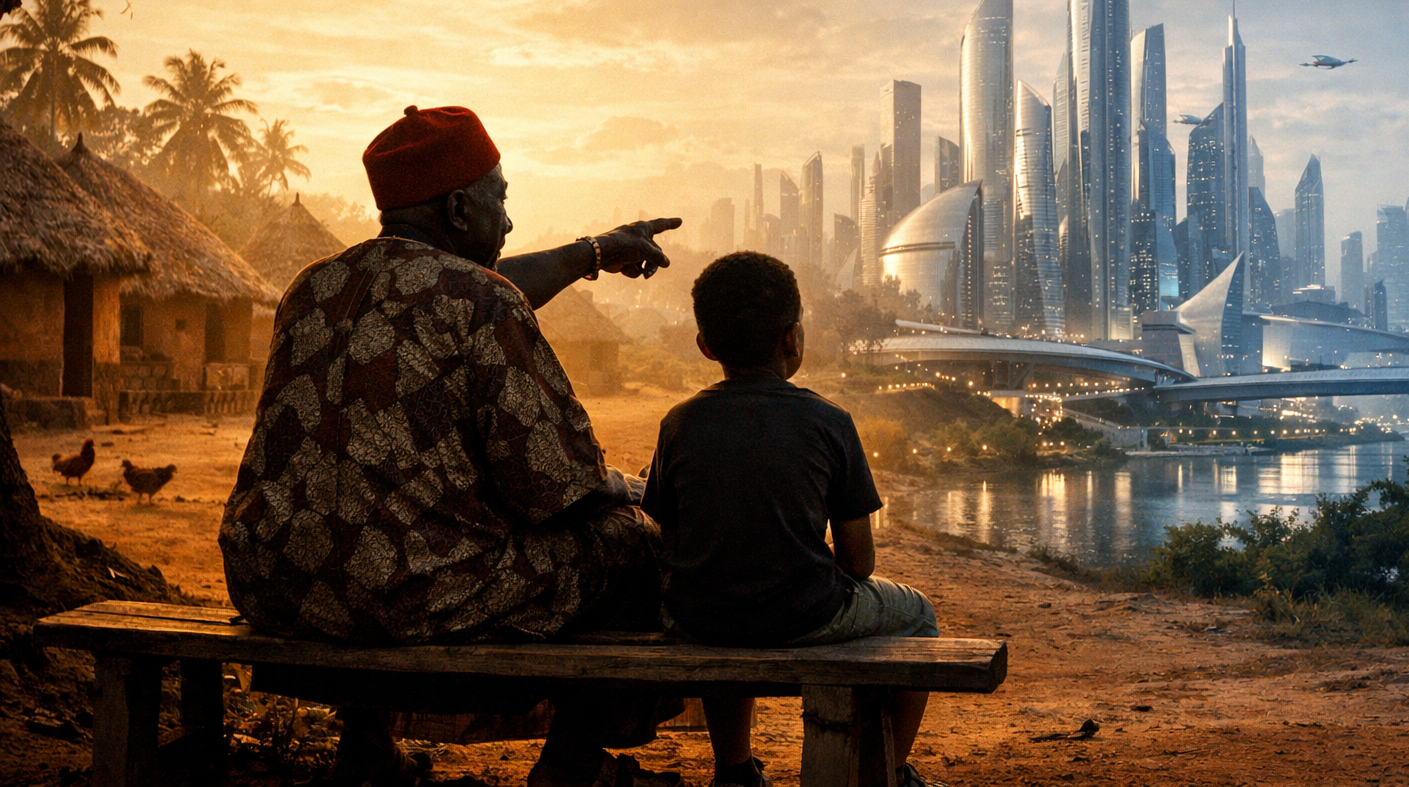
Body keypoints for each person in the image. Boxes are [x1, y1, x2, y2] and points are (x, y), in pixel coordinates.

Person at [220, 105, 681, 787]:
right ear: (462, 209)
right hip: (406, 594)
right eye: (502, 199)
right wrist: (630, 490)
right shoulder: (482, 302)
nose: (510, 219)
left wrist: (595, 251)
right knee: (633, 545)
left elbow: (457, 287)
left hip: (276, 583)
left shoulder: (313, 289)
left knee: (371, 519)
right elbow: (557, 486)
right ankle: (572, 761)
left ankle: (368, 745)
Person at [640, 252, 941, 787]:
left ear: (706, 346)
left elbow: (670, 535)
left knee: (726, 600)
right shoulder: (829, 421)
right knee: (918, 614)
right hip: (803, 615)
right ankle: (889, 774)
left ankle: (734, 771)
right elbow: (859, 562)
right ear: (793, 338)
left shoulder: (678, 423)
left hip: (699, 616)